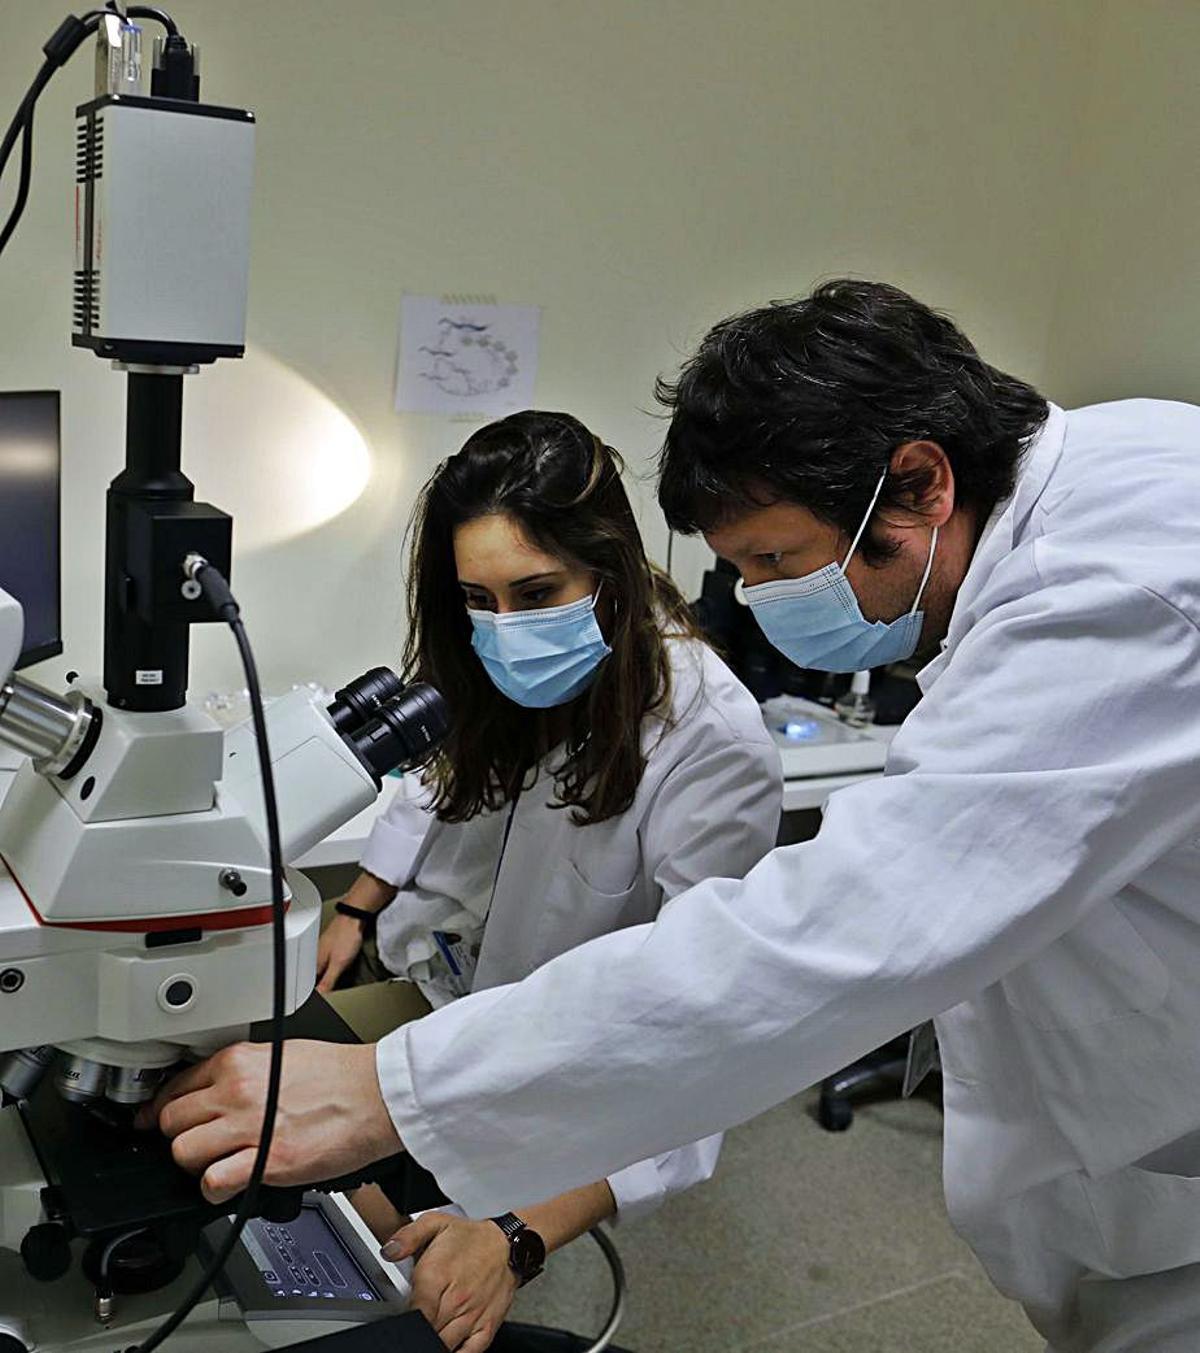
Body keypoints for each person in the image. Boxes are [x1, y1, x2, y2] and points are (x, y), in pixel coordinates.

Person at [145, 281, 1200, 1352]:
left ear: (923, 481)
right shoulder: (1096, 491)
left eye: (778, 561)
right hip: (487, 1026)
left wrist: (399, 1102)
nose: (757, 600)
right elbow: (435, 787)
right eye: (738, 569)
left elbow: (800, 954)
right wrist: (360, 915)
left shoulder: (1114, 586)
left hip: (1164, 1222)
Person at [307, 410, 782, 1345]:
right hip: (440, 1000)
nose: (506, 627)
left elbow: (711, 1037)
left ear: (608, 569)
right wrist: (356, 907)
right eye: (477, 598)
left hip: (571, 1072)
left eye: (536, 592)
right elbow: (429, 784)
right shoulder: (488, 660)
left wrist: (517, 1236)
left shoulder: (708, 740)